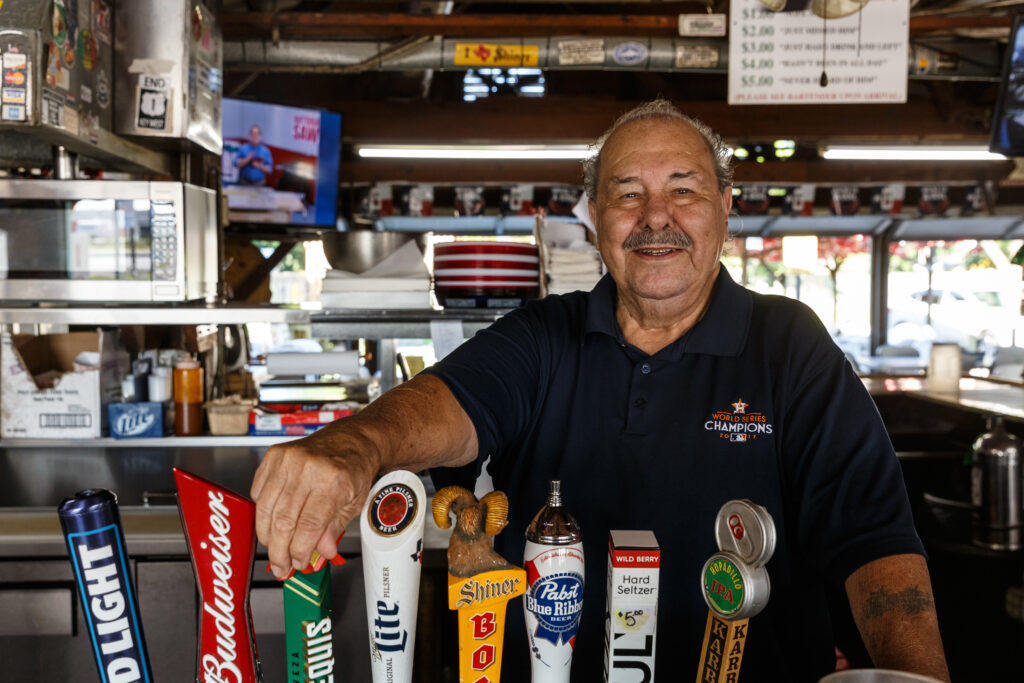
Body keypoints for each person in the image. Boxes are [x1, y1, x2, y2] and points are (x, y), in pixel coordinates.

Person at [252, 100, 950, 682]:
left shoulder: (788, 344)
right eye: (627, 193)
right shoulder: (544, 335)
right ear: (593, 214)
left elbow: (873, 542)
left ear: (725, 208)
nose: (655, 217)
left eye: (683, 189)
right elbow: (446, 405)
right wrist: (354, 445)